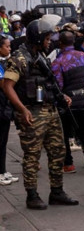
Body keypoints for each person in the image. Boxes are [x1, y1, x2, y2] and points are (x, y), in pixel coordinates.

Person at [2, 19, 79, 210]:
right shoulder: (20, 58)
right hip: (32, 113)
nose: (49, 42)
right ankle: (32, 195)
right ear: (37, 38)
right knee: (32, 156)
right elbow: (7, 86)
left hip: (50, 110)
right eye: (47, 38)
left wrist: (62, 97)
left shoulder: (41, 56)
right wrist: (22, 109)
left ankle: (57, 192)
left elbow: (48, 83)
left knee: (58, 152)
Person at [51, 31, 84, 173]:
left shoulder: (58, 62)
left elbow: (58, 85)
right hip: (83, 100)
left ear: (60, 43)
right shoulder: (83, 56)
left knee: (64, 134)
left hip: (68, 104)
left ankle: (68, 164)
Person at [0, 37, 17, 186]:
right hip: (1, 108)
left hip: (4, 108)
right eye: (7, 46)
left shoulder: (4, 63)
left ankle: (3, 170)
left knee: (3, 141)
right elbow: (4, 85)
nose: (9, 49)